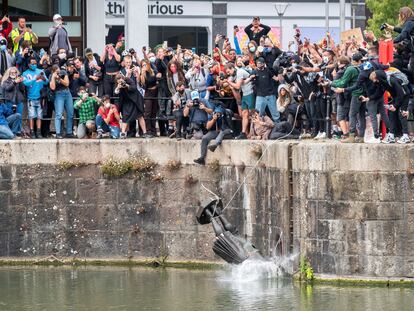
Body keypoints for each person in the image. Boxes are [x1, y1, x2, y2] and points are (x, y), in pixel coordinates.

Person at [369, 70, 411, 144]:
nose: (375, 81)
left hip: (404, 96)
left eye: (376, 79)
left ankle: (405, 136)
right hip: (396, 97)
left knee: (402, 113)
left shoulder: (392, 80)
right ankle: (391, 136)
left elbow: (401, 94)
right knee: (391, 114)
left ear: (379, 77)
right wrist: (369, 98)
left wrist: (395, 105)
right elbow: (379, 93)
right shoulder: (382, 83)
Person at [332, 53, 364, 143]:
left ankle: (350, 136)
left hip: (352, 95)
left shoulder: (349, 69)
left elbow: (342, 83)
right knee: (359, 116)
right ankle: (360, 136)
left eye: (339, 63)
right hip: (359, 94)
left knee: (349, 115)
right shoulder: (357, 68)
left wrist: (332, 83)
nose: (338, 65)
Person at [114, 74, 151, 139]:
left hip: (135, 101)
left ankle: (145, 133)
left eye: (121, 80)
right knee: (125, 117)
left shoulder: (128, 80)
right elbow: (115, 93)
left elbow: (134, 88)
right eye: (118, 81)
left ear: (123, 78)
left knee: (140, 116)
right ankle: (123, 133)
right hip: (126, 102)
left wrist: (126, 85)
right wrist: (118, 87)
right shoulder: (117, 84)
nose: (120, 82)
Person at [225, 62, 255, 139]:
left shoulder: (239, 72)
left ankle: (253, 132)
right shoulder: (233, 75)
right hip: (245, 94)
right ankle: (243, 133)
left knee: (252, 114)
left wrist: (229, 82)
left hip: (251, 92)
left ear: (232, 68)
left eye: (228, 71)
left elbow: (238, 86)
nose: (228, 74)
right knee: (244, 114)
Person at [22, 57, 49, 138]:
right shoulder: (25, 73)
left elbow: (47, 82)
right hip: (31, 98)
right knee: (31, 116)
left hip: (40, 98)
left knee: (39, 116)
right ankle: (32, 132)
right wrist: (35, 79)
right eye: (32, 63)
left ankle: (38, 132)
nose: (34, 65)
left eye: (35, 63)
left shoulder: (41, 71)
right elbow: (26, 83)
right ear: (29, 64)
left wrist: (43, 78)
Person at [251, 57, 280, 123]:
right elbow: (251, 81)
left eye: (261, 63)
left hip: (270, 95)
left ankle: (279, 127)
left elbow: (276, 79)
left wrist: (281, 74)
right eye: (258, 63)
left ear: (264, 64)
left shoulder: (267, 70)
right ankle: (257, 129)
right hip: (260, 95)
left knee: (275, 114)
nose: (259, 65)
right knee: (257, 114)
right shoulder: (254, 71)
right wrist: (252, 78)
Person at [49, 64, 74, 138]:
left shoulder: (63, 72)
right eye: (56, 71)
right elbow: (53, 88)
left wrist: (59, 79)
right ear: (53, 71)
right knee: (59, 114)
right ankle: (58, 133)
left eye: (58, 70)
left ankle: (69, 132)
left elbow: (67, 84)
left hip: (67, 93)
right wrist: (53, 78)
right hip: (58, 94)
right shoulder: (51, 76)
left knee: (70, 113)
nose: (58, 72)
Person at [139, 58, 158, 136]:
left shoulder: (153, 70)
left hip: (155, 92)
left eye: (145, 64)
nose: (144, 66)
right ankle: (148, 130)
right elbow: (144, 84)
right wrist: (142, 73)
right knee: (148, 112)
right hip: (148, 92)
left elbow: (157, 76)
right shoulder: (142, 74)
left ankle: (154, 130)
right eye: (142, 65)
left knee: (154, 112)